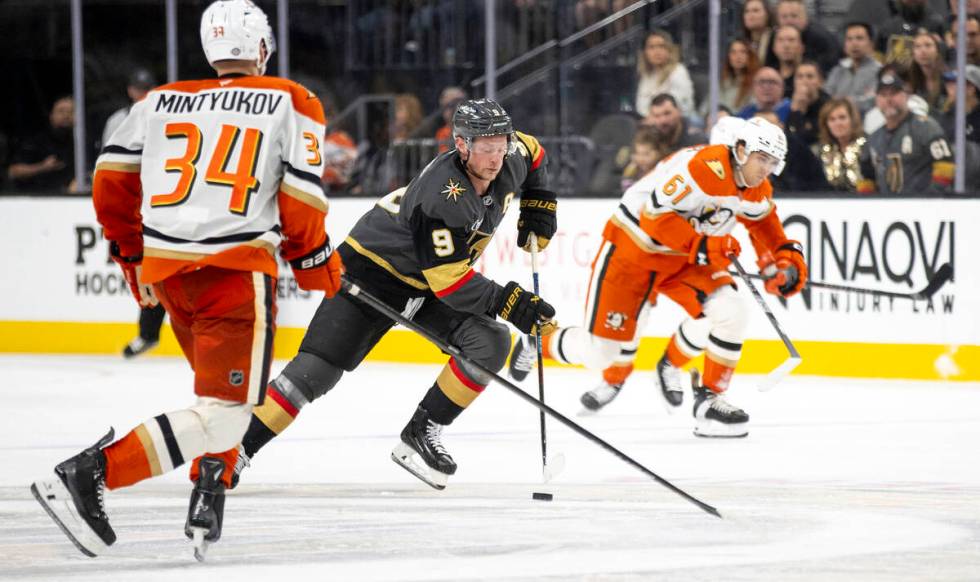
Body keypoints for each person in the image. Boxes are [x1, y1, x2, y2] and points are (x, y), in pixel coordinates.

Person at [30, 0, 343, 558]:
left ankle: (209, 491)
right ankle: (93, 471)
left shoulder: (159, 100)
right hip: (232, 273)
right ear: (263, 48)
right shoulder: (293, 100)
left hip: (170, 274)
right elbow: (300, 199)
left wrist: (131, 255)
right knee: (226, 415)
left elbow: (109, 180)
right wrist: (319, 264)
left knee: (218, 399)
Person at [203, 98, 557, 510]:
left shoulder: (512, 154)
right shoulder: (441, 195)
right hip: (373, 273)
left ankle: (421, 432)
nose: (497, 157)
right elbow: (451, 284)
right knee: (314, 374)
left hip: (427, 282)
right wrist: (508, 301)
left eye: (501, 145)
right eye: (486, 147)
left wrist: (540, 202)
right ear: (461, 145)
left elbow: (536, 154)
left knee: (490, 342)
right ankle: (234, 451)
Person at [510, 118, 807, 437]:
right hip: (633, 251)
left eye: (773, 163)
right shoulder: (702, 168)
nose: (766, 169)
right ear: (740, 150)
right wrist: (707, 244)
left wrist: (784, 260)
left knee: (733, 310)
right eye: (762, 159)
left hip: (683, 260)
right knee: (600, 353)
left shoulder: (755, 185)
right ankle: (538, 340)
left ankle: (710, 402)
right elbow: (654, 219)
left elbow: (764, 224)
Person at [862, 68, 954, 194]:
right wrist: (867, 204)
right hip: (886, 209)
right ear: (877, 100)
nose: (888, 99)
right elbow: (866, 176)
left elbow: (946, 165)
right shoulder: (874, 138)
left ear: (906, 96)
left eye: (894, 93)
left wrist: (932, 199)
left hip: (924, 208)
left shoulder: (926, 127)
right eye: (883, 95)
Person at [7, 96, 76, 194]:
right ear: (51, 116)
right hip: (36, 198)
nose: (66, 115)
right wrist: (42, 167)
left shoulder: (81, 144)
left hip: (72, 201)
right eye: (61, 111)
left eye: (71, 112)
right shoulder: (36, 141)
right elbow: (13, 172)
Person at [812, 98, 872, 192]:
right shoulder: (821, 151)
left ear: (852, 120)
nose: (838, 123)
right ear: (826, 124)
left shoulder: (869, 146)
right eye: (832, 119)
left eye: (842, 117)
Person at [824, 22, 882, 114]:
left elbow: (872, 101)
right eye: (849, 39)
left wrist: (841, 101)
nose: (854, 43)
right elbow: (826, 98)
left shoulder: (879, 71)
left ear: (871, 44)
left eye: (859, 38)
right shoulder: (838, 70)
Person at [768, 0, 841, 74]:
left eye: (794, 16)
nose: (789, 21)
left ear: (805, 17)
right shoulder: (774, 37)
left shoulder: (821, 38)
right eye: (784, 16)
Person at [635, 30, 695, 118]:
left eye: (662, 46)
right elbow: (641, 106)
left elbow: (680, 107)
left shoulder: (678, 71)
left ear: (670, 50)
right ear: (645, 52)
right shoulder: (647, 74)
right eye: (651, 47)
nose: (657, 51)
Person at [641, 93, 708, 162]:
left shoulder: (696, 139)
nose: (663, 120)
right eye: (657, 116)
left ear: (679, 111)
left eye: (667, 113)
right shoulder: (650, 136)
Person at [101, 68, 157, 150]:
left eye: (146, 89)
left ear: (154, 90)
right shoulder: (117, 120)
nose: (143, 93)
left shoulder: (162, 117)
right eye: (138, 89)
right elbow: (108, 155)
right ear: (130, 90)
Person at [877, 0, 947, 65]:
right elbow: (879, 59)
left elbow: (947, 56)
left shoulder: (937, 23)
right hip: (898, 75)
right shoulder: (888, 27)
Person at [786, 60, 830, 146]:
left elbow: (812, 137)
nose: (804, 81)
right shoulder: (786, 102)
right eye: (800, 77)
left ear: (820, 82)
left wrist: (797, 112)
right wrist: (795, 110)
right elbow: (788, 136)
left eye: (810, 77)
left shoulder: (828, 106)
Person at [938, 64, 980, 145]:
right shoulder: (947, 116)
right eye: (948, 82)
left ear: (971, 89)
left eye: (955, 82)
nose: (948, 86)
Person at [908, 29, 949, 112]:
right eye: (917, 46)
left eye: (928, 45)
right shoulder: (908, 79)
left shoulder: (948, 78)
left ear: (937, 51)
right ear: (913, 53)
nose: (923, 51)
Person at [718, 38, 761, 113]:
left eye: (743, 52)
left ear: (750, 56)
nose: (738, 56)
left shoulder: (757, 82)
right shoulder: (723, 80)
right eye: (733, 52)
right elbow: (707, 107)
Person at [772, 24, 805, 98]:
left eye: (791, 40)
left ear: (801, 47)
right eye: (781, 40)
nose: (786, 45)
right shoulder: (769, 75)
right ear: (774, 48)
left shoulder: (808, 76)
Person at [434, 86, 467, 152]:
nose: (453, 111)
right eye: (448, 106)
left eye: (456, 105)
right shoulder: (442, 133)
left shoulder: (475, 132)